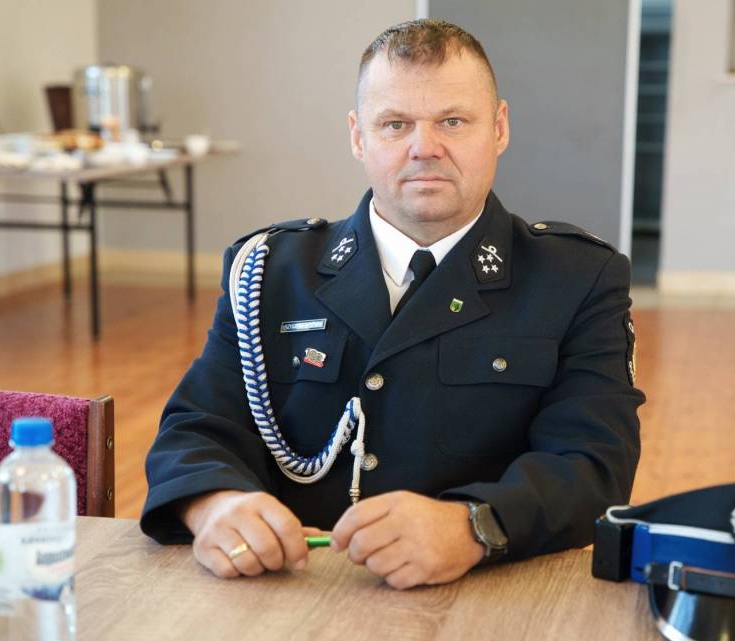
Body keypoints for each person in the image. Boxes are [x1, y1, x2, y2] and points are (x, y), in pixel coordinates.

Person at [141, 19, 644, 590]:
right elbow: (197, 427)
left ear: (499, 128)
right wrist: (216, 505)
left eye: (453, 121)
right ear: (359, 137)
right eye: (395, 124)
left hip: (490, 594)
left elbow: (593, 464)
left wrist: (474, 526)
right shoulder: (270, 271)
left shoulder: (576, 278)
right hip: (295, 588)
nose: (424, 148)